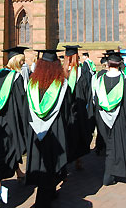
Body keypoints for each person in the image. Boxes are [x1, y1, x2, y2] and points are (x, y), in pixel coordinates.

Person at [24, 49, 71, 208]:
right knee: (50, 164)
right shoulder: (62, 84)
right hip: (54, 132)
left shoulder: (32, 83)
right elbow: (67, 111)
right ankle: (42, 202)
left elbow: (26, 109)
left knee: (42, 163)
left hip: (35, 131)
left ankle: (50, 192)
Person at [93, 51, 126, 186]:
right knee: (118, 146)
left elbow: (96, 100)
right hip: (120, 118)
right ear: (120, 64)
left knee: (109, 146)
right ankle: (110, 175)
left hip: (102, 118)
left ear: (108, 64)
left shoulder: (99, 80)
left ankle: (110, 173)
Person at [0, 46, 28, 181]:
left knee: (4, 148)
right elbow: (22, 103)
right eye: (21, 61)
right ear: (16, 61)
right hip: (11, 121)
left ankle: (19, 172)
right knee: (10, 151)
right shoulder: (16, 78)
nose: (23, 64)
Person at [63, 45, 92, 169]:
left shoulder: (61, 72)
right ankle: (78, 160)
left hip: (65, 110)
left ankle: (64, 163)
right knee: (79, 133)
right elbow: (87, 91)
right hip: (78, 109)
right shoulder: (81, 72)